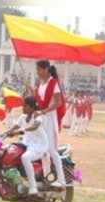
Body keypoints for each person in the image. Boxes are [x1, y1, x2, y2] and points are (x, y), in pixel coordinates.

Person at [6, 96, 48, 195]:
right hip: (27, 143)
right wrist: (5, 133)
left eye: (25, 106)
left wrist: (21, 131)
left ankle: (33, 187)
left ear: (32, 107)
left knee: (25, 157)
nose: (23, 108)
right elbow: (15, 127)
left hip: (39, 145)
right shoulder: (23, 117)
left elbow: (34, 126)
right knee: (11, 152)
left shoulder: (38, 117)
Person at [33, 60, 66, 188]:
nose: (38, 72)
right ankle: (47, 177)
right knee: (43, 150)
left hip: (50, 119)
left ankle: (62, 180)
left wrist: (44, 111)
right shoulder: (41, 84)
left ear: (46, 69)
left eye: (39, 70)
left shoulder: (53, 83)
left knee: (52, 150)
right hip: (42, 119)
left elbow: (58, 103)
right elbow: (39, 101)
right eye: (37, 70)